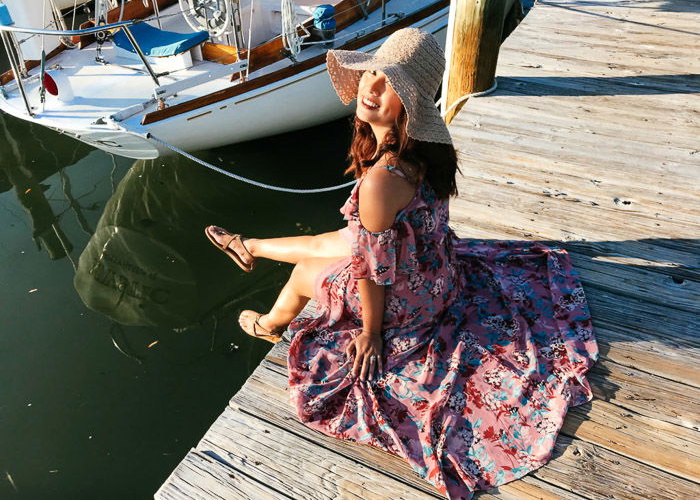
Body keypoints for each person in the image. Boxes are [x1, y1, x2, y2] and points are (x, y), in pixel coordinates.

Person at [205, 28, 598, 500]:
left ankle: (268, 324)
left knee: (306, 273)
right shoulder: (423, 152)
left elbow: (372, 272)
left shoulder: (380, 180)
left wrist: (370, 333)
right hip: (439, 276)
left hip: (405, 303)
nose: (370, 86)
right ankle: (249, 245)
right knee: (333, 244)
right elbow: (361, 242)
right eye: (372, 71)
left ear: (409, 102)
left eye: (388, 82)